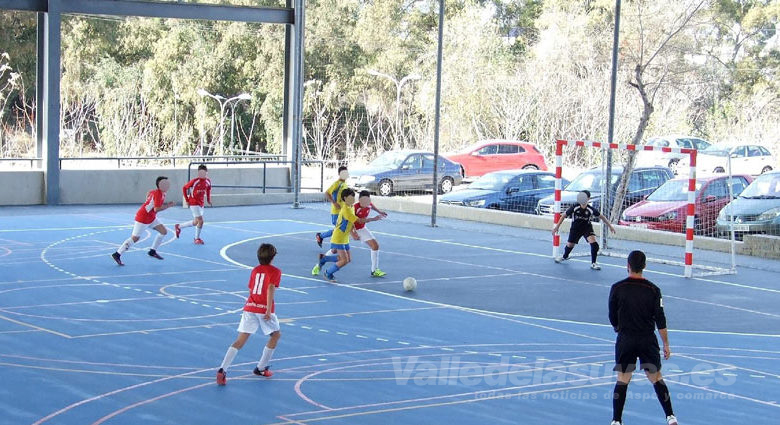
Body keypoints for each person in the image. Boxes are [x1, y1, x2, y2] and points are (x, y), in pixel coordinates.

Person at [608, 250, 678, 425]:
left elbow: (612, 315)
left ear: (628, 266)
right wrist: (666, 344)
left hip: (626, 338)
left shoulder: (617, 288)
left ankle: (616, 420)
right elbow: (660, 320)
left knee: (623, 378)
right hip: (647, 339)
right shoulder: (653, 290)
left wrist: (618, 328)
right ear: (644, 266)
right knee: (656, 377)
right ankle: (670, 416)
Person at [217, 243, 282, 385]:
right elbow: (271, 288)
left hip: (250, 306)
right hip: (263, 308)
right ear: (273, 256)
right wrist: (268, 309)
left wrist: (250, 305)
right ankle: (261, 368)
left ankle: (223, 368)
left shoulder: (255, 270)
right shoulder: (275, 271)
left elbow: (251, 289)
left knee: (240, 341)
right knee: (276, 335)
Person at [312, 188, 383, 281]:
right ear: (345, 198)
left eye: (353, 197)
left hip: (344, 237)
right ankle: (328, 273)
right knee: (343, 259)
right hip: (339, 237)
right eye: (350, 197)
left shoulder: (351, 207)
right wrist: (374, 219)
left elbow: (352, 222)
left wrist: (353, 232)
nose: (352, 199)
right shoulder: (347, 210)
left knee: (347, 259)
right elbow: (359, 220)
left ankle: (324, 259)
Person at [111, 176, 175, 266]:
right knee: (135, 238)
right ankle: (117, 254)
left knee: (163, 231)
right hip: (143, 218)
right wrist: (168, 205)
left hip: (151, 217)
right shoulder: (158, 194)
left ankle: (152, 251)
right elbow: (156, 209)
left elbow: (149, 194)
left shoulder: (159, 192)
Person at [551, 190, 616, 270]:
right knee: (570, 245)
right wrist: (557, 227)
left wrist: (610, 226)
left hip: (586, 228)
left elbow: (602, 217)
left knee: (594, 244)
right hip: (575, 228)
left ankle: (593, 263)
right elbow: (563, 216)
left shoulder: (591, 209)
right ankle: (565, 256)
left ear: (588, 199)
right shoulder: (575, 207)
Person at [351, 190, 388, 277]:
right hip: (351, 229)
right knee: (335, 249)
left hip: (361, 228)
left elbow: (372, 206)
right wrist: (353, 233)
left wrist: (380, 212)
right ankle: (321, 261)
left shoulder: (368, 204)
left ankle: (374, 270)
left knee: (375, 246)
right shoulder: (354, 208)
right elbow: (353, 221)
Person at [175, 164, 212, 245]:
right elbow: (184, 188)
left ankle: (179, 226)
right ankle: (196, 239)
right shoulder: (195, 181)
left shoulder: (208, 181)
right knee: (201, 221)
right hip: (193, 203)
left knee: (196, 222)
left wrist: (208, 200)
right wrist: (187, 199)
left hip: (200, 204)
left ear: (206, 173)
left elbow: (208, 190)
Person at [315, 166, 350, 247]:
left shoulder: (345, 184)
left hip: (343, 211)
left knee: (342, 228)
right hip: (336, 212)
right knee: (340, 229)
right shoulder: (336, 184)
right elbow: (327, 193)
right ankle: (332, 243)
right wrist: (334, 203)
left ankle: (322, 237)